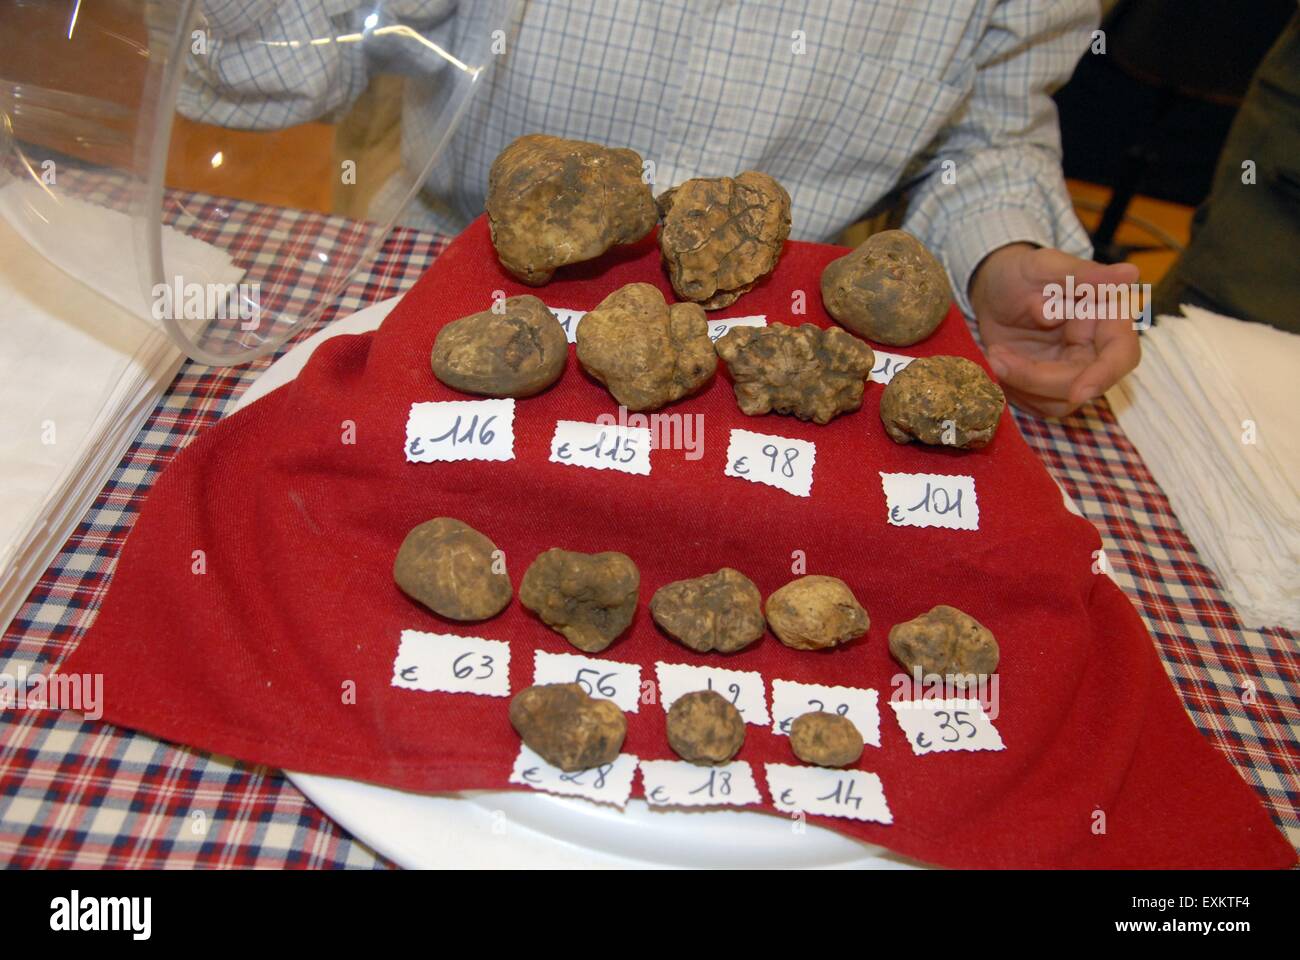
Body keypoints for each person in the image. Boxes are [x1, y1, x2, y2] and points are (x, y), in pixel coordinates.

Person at [182, 0, 1140, 418]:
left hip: (782, 337)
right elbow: (275, 62)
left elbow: (987, 135)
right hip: (459, 271)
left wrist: (998, 250)